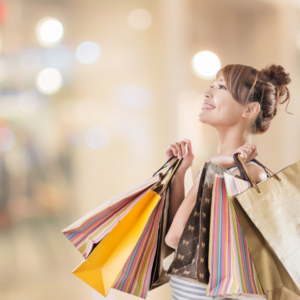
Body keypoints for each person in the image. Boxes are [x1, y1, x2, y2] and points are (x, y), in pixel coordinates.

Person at [164, 64, 292, 300]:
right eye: (212, 85)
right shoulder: (219, 167)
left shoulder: (248, 175)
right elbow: (183, 238)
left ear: (250, 109)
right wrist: (181, 173)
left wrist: (207, 169)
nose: (208, 93)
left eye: (221, 87)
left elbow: (175, 237)